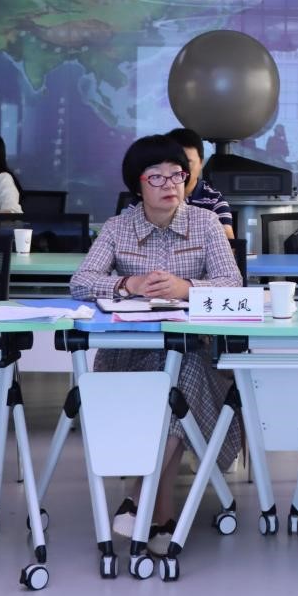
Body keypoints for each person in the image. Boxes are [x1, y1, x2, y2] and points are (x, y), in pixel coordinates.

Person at [70, 134, 243, 547]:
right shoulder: (118, 227)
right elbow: (81, 282)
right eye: (157, 177)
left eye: (177, 175)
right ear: (138, 184)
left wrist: (187, 288)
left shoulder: (205, 223)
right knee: (172, 380)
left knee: (181, 370)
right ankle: (159, 515)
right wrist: (128, 283)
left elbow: (232, 283)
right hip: (127, 355)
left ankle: (139, 498)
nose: (170, 185)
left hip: (194, 353)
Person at [168, 127, 234, 238]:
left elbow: (228, 244)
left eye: (187, 162)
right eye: (175, 161)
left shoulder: (214, 201)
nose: (180, 168)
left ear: (201, 163)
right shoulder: (152, 195)